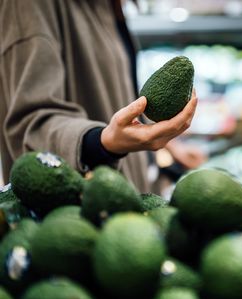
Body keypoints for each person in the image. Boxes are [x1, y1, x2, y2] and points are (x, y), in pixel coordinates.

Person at [0, 0, 206, 192]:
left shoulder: (106, 5)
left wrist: (168, 145)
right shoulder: (26, 6)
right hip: (78, 213)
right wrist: (104, 141)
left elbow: (118, 95)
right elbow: (30, 124)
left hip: (124, 196)